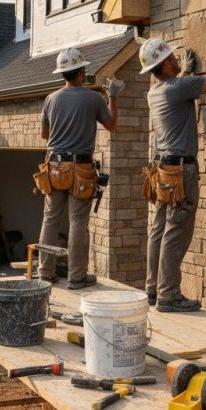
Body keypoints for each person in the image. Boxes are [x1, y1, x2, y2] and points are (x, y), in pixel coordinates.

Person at [140, 18, 206, 312]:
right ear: (166, 65)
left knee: (159, 228)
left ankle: (153, 289)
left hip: (163, 168)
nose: (178, 60)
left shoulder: (154, 91)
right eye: (173, 58)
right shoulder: (178, 87)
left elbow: (181, 106)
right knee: (176, 229)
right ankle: (169, 296)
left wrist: (189, 72)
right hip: (181, 170)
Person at [37, 46, 124, 289]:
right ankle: (76, 277)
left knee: (51, 218)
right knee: (77, 221)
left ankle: (45, 273)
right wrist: (113, 97)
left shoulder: (50, 99)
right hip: (81, 169)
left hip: (54, 167)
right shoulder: (94, 98)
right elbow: (111, 125)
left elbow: (45, 134)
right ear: (81, 72)